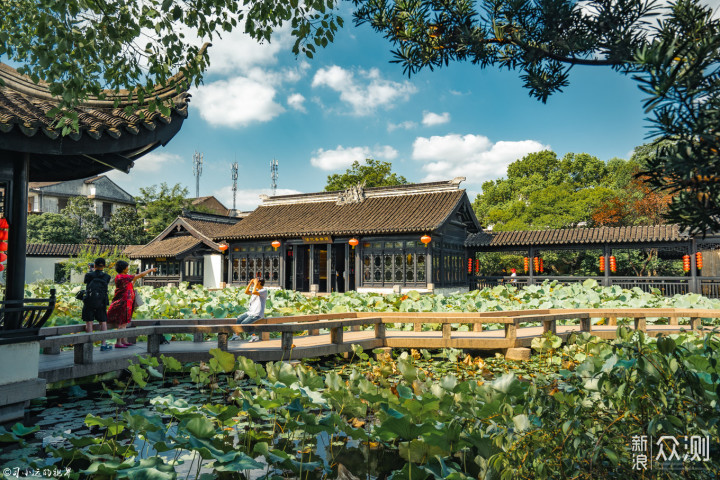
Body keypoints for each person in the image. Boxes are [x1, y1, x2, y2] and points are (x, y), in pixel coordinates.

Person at [107, 261, 156, 348]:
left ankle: (124, 341)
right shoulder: (122, 277)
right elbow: (140, 275)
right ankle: (118, 342)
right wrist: (150, 270)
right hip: (123, 302)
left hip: (127, 302)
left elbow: (131, 284)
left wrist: (134, 279)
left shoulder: (123, 277)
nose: (128, 268)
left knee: (125, 323)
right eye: (126, 267)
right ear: (123, 268)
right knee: (122, 323)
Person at [82, 258, 112, 351]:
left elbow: (86, 281)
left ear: (94, 266)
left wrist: (90, 271)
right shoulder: (107, 276)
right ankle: (103, 344)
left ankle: (89, 345)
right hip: (101, 301)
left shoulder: (88, 275)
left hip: (89, 300)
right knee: (103, 322)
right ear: (104, 266)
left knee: (89, 321)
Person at [233, 277, 267, 342]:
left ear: (259, 283)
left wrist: (255, 283)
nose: (254, 283)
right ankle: (236, 335)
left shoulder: (263, 291)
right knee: (239, 318)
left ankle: (254, 336)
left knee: (244, 323)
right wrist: (250, 283)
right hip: (250, 312)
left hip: (257, 313)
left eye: (256, 282)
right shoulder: (256, 290)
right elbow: (246, 292)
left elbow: (254, 292)